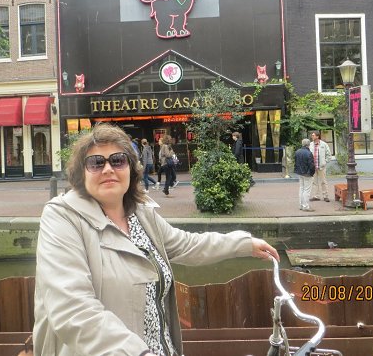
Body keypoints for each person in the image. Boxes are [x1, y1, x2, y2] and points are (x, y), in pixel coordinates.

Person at [33, 123, 279, 356]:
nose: (108, 169)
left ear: (131, 168)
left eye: (117, 160)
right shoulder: (63, 218)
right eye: (96, 163)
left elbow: (186, 244)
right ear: (82, 173)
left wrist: (242, 244)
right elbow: (72, 308)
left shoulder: (140, 214)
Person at [309, 131, 331, 202]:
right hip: (313, 166)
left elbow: (328, 154)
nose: (312, 136)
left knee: (323, 182)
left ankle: (325, 196)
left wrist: (325, 162)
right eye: (312, 135)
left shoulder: (324, 144)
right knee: (314, 182)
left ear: (317, 136)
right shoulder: (310, 144)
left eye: (313, 135)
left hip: (321, 166)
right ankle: (316, 196)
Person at [294, 138, 316, 212]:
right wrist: (312, 173)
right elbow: (311, 165)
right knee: (307, 190)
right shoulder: (309, 153)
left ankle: (301, 205)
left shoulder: (297, 152)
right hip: (307, 173)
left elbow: (296, 162)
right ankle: (306, 206)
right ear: (308, 145)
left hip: (300, 173)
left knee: (301, 188)